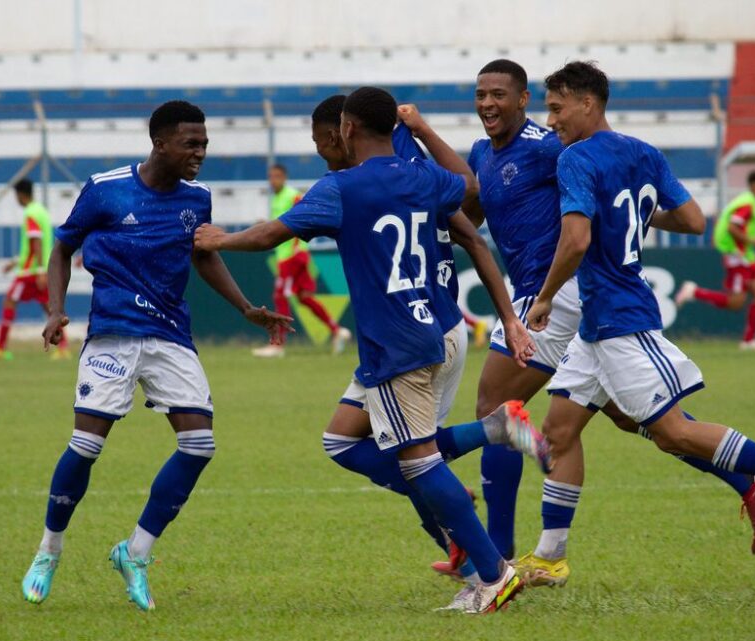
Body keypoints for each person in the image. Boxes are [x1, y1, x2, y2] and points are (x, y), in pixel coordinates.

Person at [421, 60, 755, 578]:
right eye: (480, 94)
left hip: (555, 295)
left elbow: (605, 181)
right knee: (634, 416)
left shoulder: (550, 146)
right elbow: (474, 197)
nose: (488, 104)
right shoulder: (482, 152)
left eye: (500, 94)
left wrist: (631, 212)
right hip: (539, 294)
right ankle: (748, 481)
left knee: (496, 403)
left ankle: (494, 557)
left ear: (523, 101)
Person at [194, 87, 537, 614]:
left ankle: (492, 575)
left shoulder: (342, 188)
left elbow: (268, 236)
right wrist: (422, 130)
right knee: (342, 439)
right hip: (429, 326)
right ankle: (492, 436)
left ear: (347, 129)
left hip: (398, 343)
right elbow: (468, 193)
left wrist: (218, 240)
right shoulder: (423, 178)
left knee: (419, 462)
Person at [519, 61, 755, 587]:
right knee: (560, 429)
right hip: (597, 325)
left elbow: (575, 241)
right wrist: (635, 217)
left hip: (621, 318)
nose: (551, 120)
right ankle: (550, 557)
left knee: (673, 431)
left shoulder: (575, 158)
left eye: (556, 107)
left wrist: (545, 298)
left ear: (588, 103)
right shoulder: (643, 153)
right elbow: (691, 220)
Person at [18, 101, 292, 612]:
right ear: (160, 143)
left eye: (205, 144)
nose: (200, 153)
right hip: (114, 334)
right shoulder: (106, 189)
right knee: (86, 445)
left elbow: (202, 255)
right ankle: (48, 550)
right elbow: (61, 249)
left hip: (169, 335)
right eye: (191, 144)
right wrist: (55, 310)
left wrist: (247, 308)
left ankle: (135, 552)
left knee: (199, 445)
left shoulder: (198, 198)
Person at [252, 163, 351, 357]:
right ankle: (337, 331)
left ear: (285, 177)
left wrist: (297, 250)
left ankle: (278, 345)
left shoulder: (292, 195)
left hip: (293, 256)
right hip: (289, 256)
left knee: (280, 296)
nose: (274, 180)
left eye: (277, 176)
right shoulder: (277, 198)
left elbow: (302, 222)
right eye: (271, 177)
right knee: (305, 298)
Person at [675, 170, 755, 349]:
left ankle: (749, 340)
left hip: (747, 257)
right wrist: (753, 242)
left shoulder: (747, 201)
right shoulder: (747, 204)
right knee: (736, 302)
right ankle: (694, 292)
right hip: (738, 257)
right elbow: (733, 227)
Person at [0, 178, 69, 359]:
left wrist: (40, 269)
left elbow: (36, 242)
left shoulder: (30, 213)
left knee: (9, 301)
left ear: (20, 195)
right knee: (50, 308)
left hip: (30, 273)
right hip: (36, 269)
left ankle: (0, 347)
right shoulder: (41, 211)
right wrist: (16, 261)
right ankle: (63, 347)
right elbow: (34, 244)